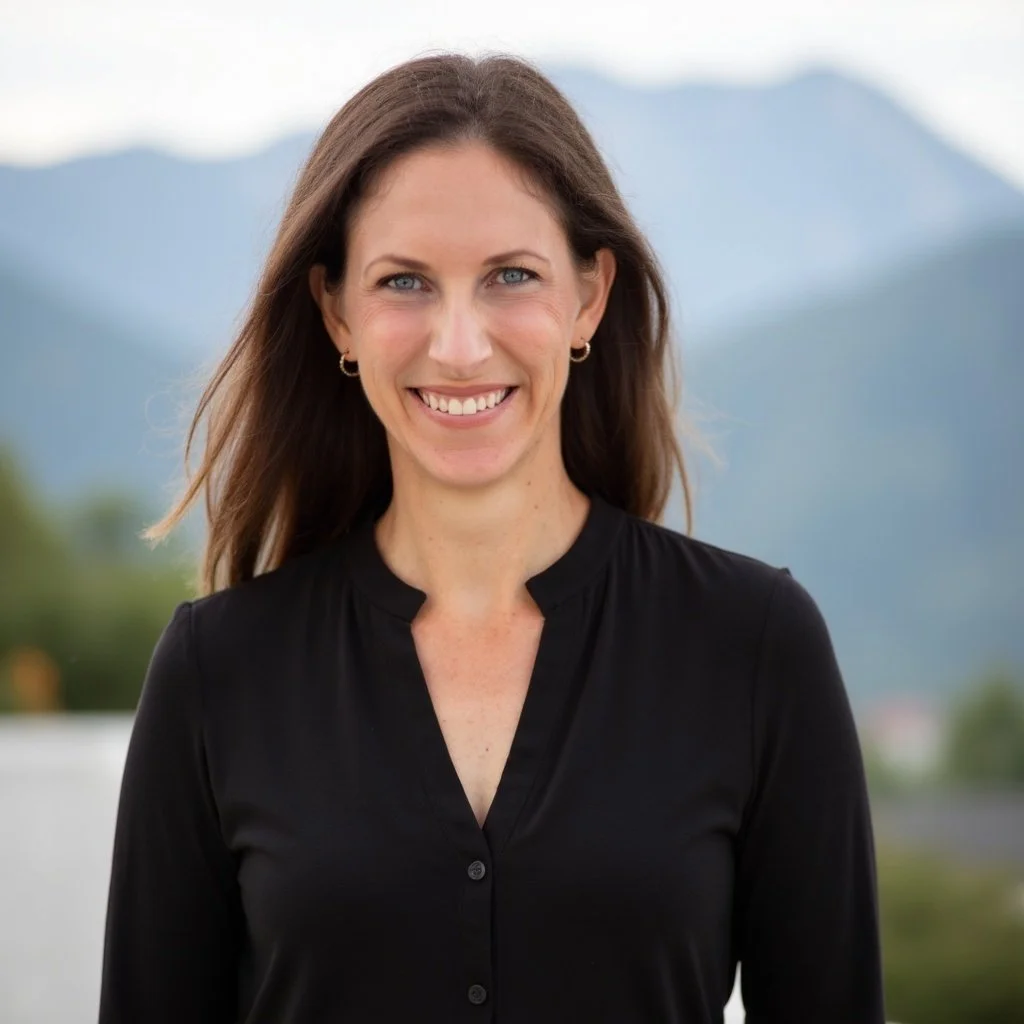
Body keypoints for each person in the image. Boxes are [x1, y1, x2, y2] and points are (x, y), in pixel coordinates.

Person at [98, 51, 885, 1023]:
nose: (460, 344)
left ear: (588, 297)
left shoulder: (754, 646)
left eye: (511, 275)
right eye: (405, 282)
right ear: (335, 311)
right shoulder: (218, 673)